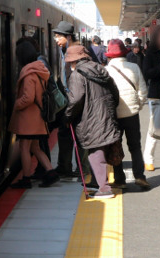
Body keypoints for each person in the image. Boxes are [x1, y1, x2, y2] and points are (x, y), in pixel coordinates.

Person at [64, 44, 121, 199]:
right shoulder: (100, 68)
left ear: (73, 61)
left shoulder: (77, 75)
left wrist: (67, 116)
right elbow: (115, 91)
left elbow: (75, 100)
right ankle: (97, 182)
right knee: (101, 148)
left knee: (95, 152)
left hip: (90, 117)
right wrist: (111, 107)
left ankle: (104, 188)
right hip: (106, 113)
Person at [10, 38, 59, 189]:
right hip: (37, 117)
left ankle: (26, 179)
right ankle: (51, 173)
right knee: (35, 147)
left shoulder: (29, 73)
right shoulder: (39, 70)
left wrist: (16, 104)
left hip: (28, 118)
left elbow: (28, 98)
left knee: (24, 148)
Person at [104, 39, 149, 190]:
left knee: (116, 147)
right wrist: (138, 106)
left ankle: (120, 179)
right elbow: (143, 91)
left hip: (114, 115)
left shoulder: (106, 70)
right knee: (135, 146)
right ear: (124, 52)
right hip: (132, 114)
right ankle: (140, 176)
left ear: (109, 55)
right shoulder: (134, 67)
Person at [140, 24, 160, 173]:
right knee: (155, 128)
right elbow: (147, 73)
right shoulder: (151, 54)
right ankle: (148, 159)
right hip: (156, 95)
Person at [51, 22, 80, 179]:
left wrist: (73, 104)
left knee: (77, 136)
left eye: (58, 36)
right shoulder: (66, 51)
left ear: (68, 37)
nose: (56, 40)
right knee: (64, 133)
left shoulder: (75, 54)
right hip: (68, 102)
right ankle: (65, 167)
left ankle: (81, 168)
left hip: (75, 102)